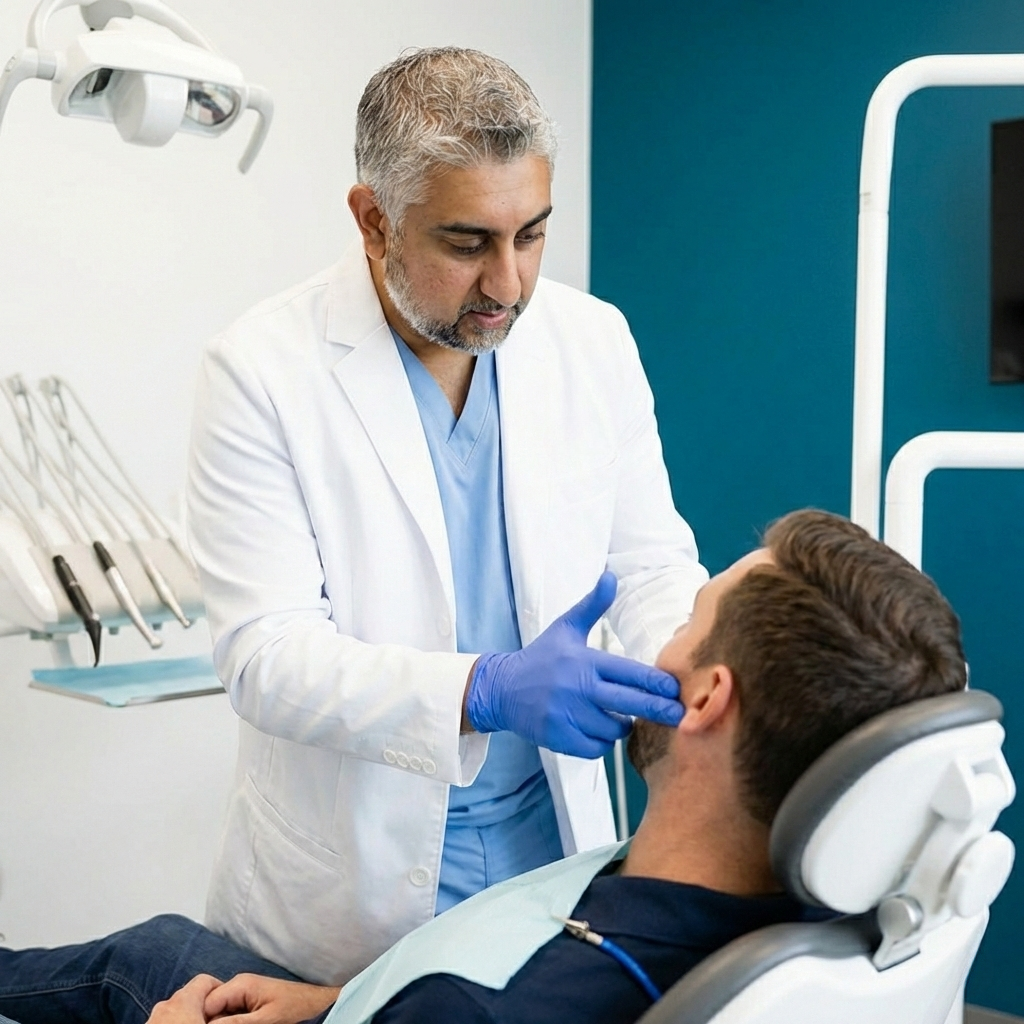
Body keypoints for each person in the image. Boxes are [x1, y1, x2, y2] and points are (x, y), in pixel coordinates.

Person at [0, 510, 968, 1024]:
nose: (659, 643)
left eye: (684, 620)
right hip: (374, 999)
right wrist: (341, 1000)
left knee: (149, 964)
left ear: (706, 698)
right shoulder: (806, 910)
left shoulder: (474, 1007)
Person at [185, 46, 708, 984]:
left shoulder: (593, 341)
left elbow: (653, 564)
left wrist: (685, 678)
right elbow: (265, 657)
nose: (509, 285)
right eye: (468, 244)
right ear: (374, 220)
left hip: (550, 861)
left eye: (533, 235)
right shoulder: (261, 370)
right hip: (347, 891)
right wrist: (483, 687)